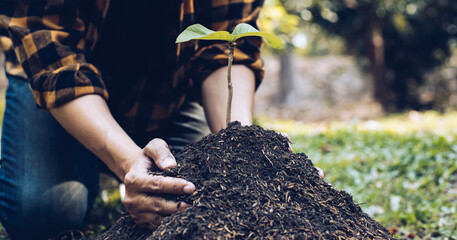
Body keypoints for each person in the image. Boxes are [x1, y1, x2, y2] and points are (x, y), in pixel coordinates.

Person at [0, 1, 265, 239]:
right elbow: (48, 43)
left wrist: (241, 145)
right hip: (51, 83)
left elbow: (227, 44)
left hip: (166, 94)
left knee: (197, 192)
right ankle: (92, 158)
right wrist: (129, 163)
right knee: (43, 214)